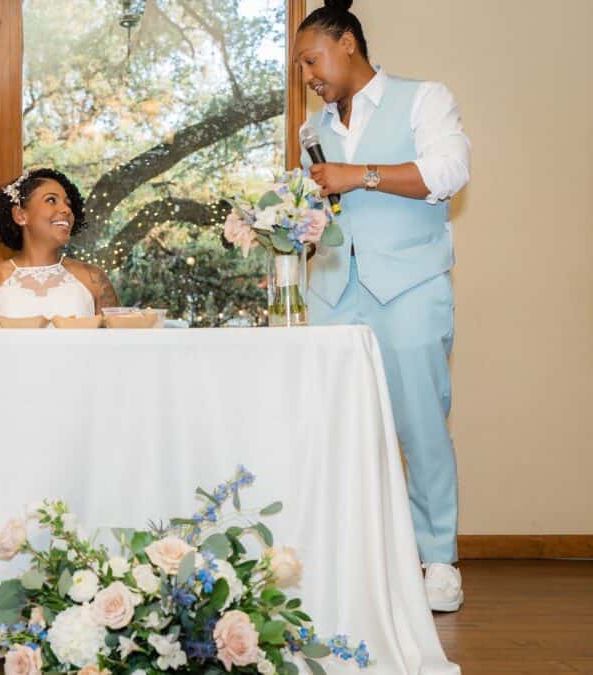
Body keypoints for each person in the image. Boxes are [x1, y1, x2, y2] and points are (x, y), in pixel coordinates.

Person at [293, 0, 471, 611]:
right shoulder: (312, 130)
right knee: (329, 426)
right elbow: (319, 207)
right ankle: (341, 554)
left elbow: (449, 171)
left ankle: (437, 559)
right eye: (301, 68)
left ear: (346, 43)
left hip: (411, 287)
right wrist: (295, 228)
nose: (309, 75)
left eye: (312, 60)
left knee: (421, 424)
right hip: (333, 292)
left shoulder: (425, 98)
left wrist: (358, 174)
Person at [0, 168, 118, 320]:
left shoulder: (94, 279)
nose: (66, 210)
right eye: (51, 200)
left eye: (68, 204)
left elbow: (119, 346)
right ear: (20, 215)